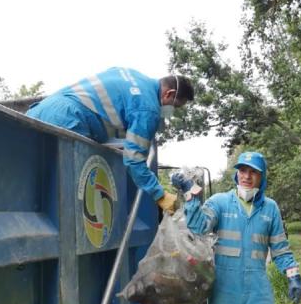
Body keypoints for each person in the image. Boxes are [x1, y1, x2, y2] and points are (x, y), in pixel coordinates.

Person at [172, 151, 301, 304]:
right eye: (243, 171)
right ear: (237, 174)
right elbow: (198, 227)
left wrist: (293, 274)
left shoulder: (270, 208)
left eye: (254, 172)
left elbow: (280, 250)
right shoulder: (220, 203)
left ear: (262, 178)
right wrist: (190, 194)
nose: (247, 176)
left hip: (258, 290)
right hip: (225, 288)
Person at [26, 67, 194, 214]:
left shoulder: (131, 74)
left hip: (41, 110)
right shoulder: (148, 108)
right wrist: (160, 194)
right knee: (67, 199)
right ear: (168, 94)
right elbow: (134, 160)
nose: (170, 112)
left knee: (33, 187)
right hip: (70, 121)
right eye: (175, 107)